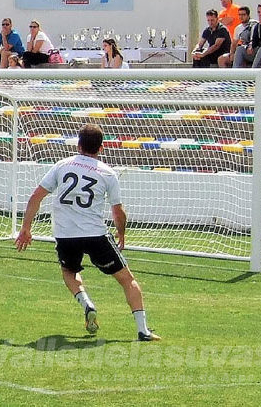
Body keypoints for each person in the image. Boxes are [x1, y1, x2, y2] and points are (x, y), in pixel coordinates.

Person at [15, 124, 161, 341]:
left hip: (65, 235)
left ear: (79, 144)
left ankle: (87, 303)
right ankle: (143, 330)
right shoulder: (107, 173)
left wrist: (26, 227)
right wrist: (121, 234)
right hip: (96, 235)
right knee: (127, 279)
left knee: (69, 273)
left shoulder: (62, 166)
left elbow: (36, 196)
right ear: (101, 148)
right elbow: (117, 211)